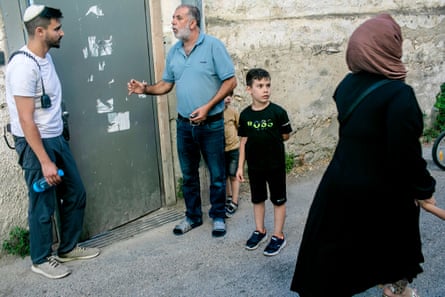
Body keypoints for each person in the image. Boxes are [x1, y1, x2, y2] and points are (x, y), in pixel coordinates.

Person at [290, 14, 435, 297]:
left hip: (339, 183)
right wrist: (424, 189)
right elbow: (406, 155)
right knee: (392, 249)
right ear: (387, 48)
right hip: (381, 191)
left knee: (336, 256)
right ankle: (395, 289)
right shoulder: (399, 95)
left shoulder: (347, 86)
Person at [5, 4, 100, 279]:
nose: (62, 33)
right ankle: (40, 258)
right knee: (43, 203)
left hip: (55, 139)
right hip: (37, 147)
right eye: (56, 29)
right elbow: (25, 120)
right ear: (40, 31)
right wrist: (45, 161)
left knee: (75, 192)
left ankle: (68, 247)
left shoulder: (45, 58)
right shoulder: (23, 66)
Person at [127, 4, 237, 237]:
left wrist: (208, 107)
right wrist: (144, 89)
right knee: (189, 175)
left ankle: (218, 216)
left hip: (212, 123)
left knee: (217, 175)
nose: (173, 22)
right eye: (173, 18)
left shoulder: (213, 46)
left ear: (193, 23)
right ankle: (193, 217)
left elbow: (231, 82)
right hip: (184, 125)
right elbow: (166, 84)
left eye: (178, 18)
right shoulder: (175, 52)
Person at [237, 68, 292, 256]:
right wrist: (240, 167)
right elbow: (243, 140)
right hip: (254, 167)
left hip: (275, 166)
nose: (265, 89)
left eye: (267, 85)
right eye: (260, 86)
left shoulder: (278, 113)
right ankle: (260, 230)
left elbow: (285, 135)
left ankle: (278, 235)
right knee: (257, 199)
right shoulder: (245, 116)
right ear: (249, 90)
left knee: (278, 200)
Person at [223, 90, 241, 217]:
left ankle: (234, 201)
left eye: (230, 96)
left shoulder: (233, 112)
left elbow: (239, 126)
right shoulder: (216, 113)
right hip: (220, 150)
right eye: (225, 96)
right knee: (224, 176)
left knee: (233, 175)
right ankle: (228, 197)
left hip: (234, 148)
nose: (228, 98)